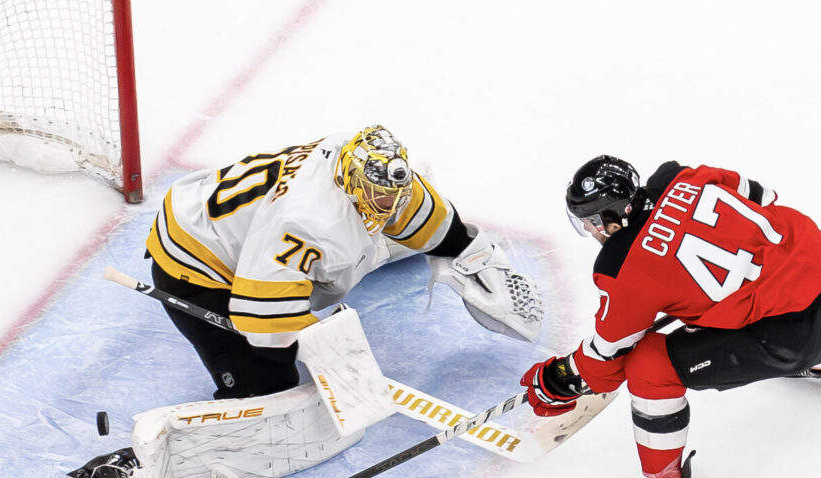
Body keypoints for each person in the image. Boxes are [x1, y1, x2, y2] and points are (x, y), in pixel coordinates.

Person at [519, 156, 821, 478]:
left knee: (650, 362)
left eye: (593, 221)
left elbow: (605, 359)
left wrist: (559, 379)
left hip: (794, 337)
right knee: (756, 288)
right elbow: (763, 197)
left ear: (613, 216)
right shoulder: (681, 177)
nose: (593, 231)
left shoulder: (623, 266)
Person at [146, 124, 543, 399]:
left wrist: (462, 249)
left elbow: (426, 214)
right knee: (271, 381)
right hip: (196, 258)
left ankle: (355, 258)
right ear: (352, 181)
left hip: (258, 225)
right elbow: (263, 323)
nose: (389, 206)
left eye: (394, 196)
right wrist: (332, 356)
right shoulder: (305, 221)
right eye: (379, 198)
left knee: (358, 241)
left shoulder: (369, 171)